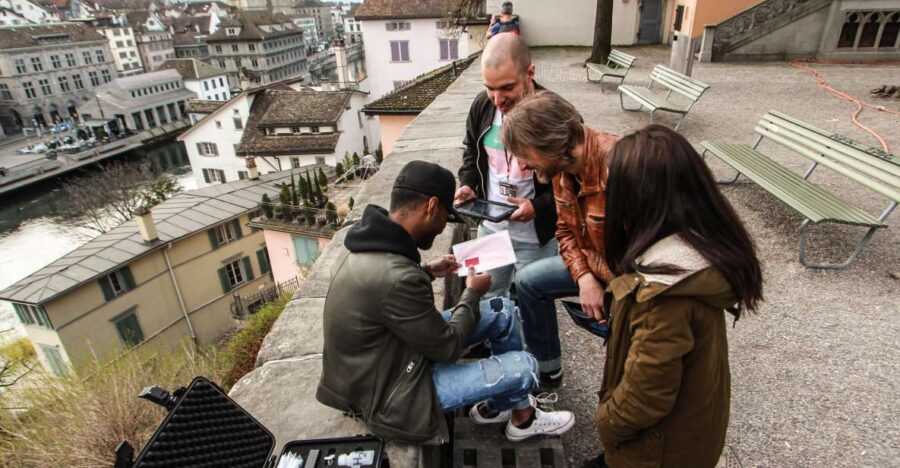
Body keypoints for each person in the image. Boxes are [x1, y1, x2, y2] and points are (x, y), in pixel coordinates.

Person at [317, 161, 575, 444]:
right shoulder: (398, 277)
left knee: (504, 312)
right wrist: (473, 292)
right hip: (392, 395)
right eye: (445, 216)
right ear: (431, 206)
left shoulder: (369, 244)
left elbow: (386, 298)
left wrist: (426, 271)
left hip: (392, 358)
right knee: (525, 366)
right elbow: (448, 348)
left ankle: (511, 412)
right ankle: (515, 409)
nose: (442, 228)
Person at [592, 125, 764, 466]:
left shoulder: (663, 295)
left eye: (612, 191)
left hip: (660, 454)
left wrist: (606, 426)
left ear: (638, 202)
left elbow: (644, 398)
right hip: (692, 437)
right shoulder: (700, 255)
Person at [500, 91, 618, 388]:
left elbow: (646, 259)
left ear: (548, 141)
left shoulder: (619, 165)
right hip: (594, 265)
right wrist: (584, 277)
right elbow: (564, 230)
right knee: (528, 281)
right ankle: (547, 369)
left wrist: (605, 288)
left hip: (632, 281)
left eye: (525, 154)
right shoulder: (559, 167)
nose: (523, 166)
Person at [455, 34, 558, 300]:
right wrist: (469, 183)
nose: (497, 99)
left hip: (536, 237)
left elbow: (575, 182)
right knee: (488, 298)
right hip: (491, 227)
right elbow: (471, 151)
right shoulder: (482, 105)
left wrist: (538, 207)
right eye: (490, 87)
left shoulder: (555, 114)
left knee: (534, 306)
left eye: (507, 88)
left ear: (530, 72)